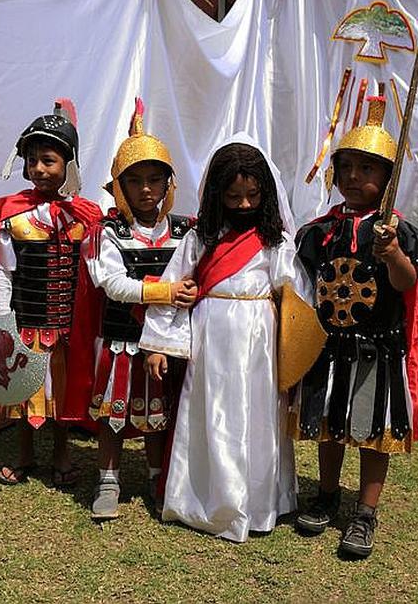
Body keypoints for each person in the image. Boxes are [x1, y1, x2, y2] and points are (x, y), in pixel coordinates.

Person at [140, 135, 309, 543]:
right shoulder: (199, 239)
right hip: (211, 338)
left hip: (260, 342)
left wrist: (296, 351)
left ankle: (257, 500)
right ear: (218, 193)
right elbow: (174, 287)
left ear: (265, 194)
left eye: (252, 195)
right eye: (234, 196)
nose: (245, 205)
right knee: (210, 413)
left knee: (259, 416)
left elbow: (297, 294)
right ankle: (207, 499)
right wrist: (161, 344)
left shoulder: (276, 242)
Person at [291, 95, 418, 558]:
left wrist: (391, 253)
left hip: (378, 347)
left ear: (387, 178)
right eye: (346, 167)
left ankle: (366, 511)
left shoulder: (400, 233)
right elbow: (305, 285)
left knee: (375, 433)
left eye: (367, 169)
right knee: (329, 426)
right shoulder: (318, 232)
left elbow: (407, 284)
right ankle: (328, 495)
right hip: (329, 348)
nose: (354, 178)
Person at [66, 99, 197, 519]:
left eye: (154, 179)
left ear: (168, 184)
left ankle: (160, 480)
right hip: (121, 341)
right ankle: (108, 482)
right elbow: (112, 283)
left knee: (159, 414)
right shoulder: (109, 233)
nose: (145, 189)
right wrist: (167, 291)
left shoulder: (185, 231)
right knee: (113, 415)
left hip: (167, 345)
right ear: (119, 185)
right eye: (135, 180)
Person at [0, 100, 102, 486]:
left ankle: (62, 453)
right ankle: (25, 454)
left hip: (67, 323)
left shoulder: (85, 216)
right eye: (32, 160)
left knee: (62, 391)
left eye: (48, 160)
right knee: (26, 390)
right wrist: (1, 319)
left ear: (67, 164)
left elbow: (94, 270)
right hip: (26, 320)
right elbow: (2, 268)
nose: (37, 169)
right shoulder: (11, 214)